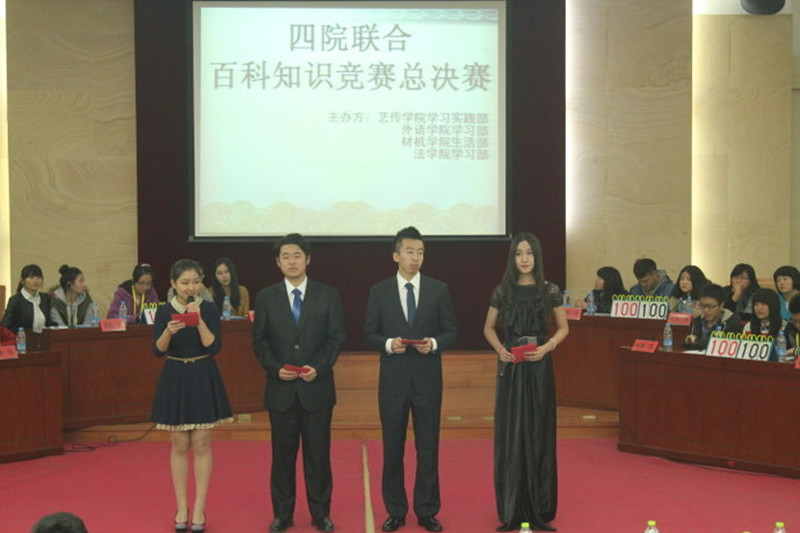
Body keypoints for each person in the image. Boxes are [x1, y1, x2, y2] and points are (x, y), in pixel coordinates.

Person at [364, 226, 458, 533]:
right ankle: (395, 510)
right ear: (396, 256)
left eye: (420, 252)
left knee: (428, 448)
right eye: (409, 251)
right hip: (392, 382)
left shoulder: (438, 289)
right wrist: (389, 344)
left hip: (428, 381)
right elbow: (369, 334)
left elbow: (451, 331)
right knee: (393, 449)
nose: (415, 257)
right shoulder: (379, 291)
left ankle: (427, 511)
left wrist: (435, 343)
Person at [252, 234, 345, 533]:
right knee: (282, 458)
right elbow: (260, 341)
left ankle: (321, 514)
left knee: (318, 457)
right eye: (286, 256)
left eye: (297, 255)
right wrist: (275, 368)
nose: (292, 261)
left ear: (308, 259)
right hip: (281, 390)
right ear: (277, 262)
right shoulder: (266, 297)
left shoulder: (328, 295)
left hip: (317, 389)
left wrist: (319, 367)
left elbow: (336, 338)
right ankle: (282, 515)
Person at [483, 233, 569, 532]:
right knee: (511, 434)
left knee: (538, 432)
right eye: (519, 253)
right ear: (512, 257)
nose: (524, 258)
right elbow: (488, 328)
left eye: (529, 253)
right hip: (511, 366)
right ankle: (511, 505)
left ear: (536, 256)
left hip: (538, 365)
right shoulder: (502, 291)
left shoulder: (549, 290)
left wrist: (546, 348)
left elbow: (564, 328)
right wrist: (501, 351)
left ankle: (539, 505)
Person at [150, 259, 233, 532]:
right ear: (173, 284)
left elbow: (214, 347)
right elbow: (158, 350)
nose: (191, 287)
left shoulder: (209, 308)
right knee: (179, 442)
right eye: (184, 283)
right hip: (175, 375)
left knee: (201, 441)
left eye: (196, 282)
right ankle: (181, 506)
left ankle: (199, 507)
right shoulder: (164, 310)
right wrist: (168, 331)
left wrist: (198, 321)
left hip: (202, 373)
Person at [683, 284, 740, 350]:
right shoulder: (697, 322)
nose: (706, 310)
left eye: (710, 307)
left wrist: (697, 341)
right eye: (703, 306)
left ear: (721, 305)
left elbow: (725, 345)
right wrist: (688, 341)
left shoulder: (731, 322)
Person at [1, 264, 56, 333]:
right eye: (31, 277)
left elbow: (49, 322)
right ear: (22, 281)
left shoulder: (45, 298)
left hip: (43, 337)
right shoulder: (16, 300)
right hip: (21, 338)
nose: (36, 280)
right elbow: (5, 326)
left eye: (38, 277)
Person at [741, 288, 786, 361]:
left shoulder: (784, 326)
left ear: (773, 306)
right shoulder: (748, 327)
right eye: (756, 304)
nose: (759, 308)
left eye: (763, 304)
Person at [784, 293, 800, 360]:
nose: (797, 325)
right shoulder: (790, 328)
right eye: (794, 321)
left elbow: (790, 351)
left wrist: (794, 351)